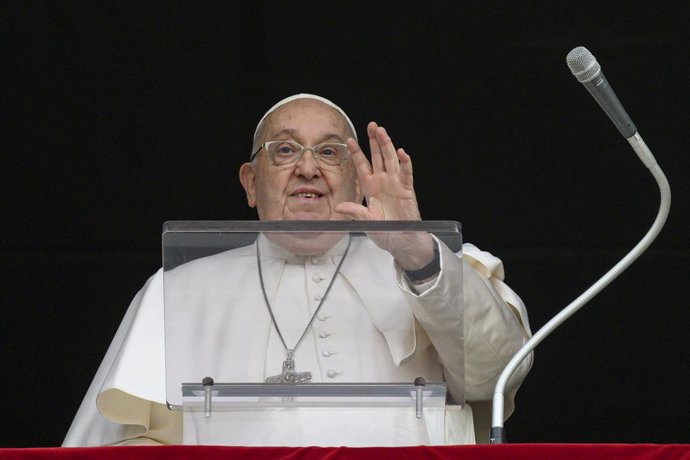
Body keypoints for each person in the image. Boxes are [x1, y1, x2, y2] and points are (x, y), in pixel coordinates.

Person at [63, 94, 532, 446]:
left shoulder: (429, 262)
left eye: (330, 153)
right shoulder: (176, 291)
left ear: (355, 179)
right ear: (251, 183)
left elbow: (498, 380)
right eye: (285, 151)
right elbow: (113, 446)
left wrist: (414, 250)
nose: (308, 168)